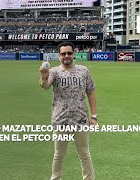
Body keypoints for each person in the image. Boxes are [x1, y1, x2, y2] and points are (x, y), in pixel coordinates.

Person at [39, 42, 97, 180]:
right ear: (59, 56)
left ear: (74, 54)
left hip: (80, 119)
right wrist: (43, 76)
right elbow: (46, 86)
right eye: (63, 53)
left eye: (69, 53)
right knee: (59, 155)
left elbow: (91, 91)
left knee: (84, 154)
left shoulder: (83, 71)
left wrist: (94, 116)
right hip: (60, 119)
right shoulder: (54, 72)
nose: (66, 56)